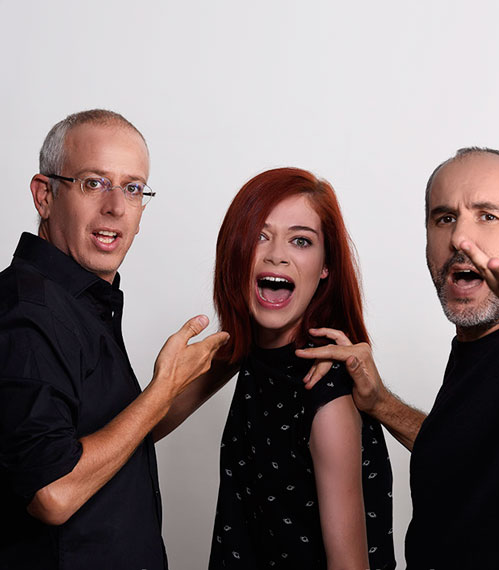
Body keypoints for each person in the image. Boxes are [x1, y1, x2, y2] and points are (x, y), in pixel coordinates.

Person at [296, 147, 499, 569]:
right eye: (444, 218)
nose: (459, 238)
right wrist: (381, 403)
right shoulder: (474, 347)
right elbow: (464, 450)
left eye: (487, 216)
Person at [0, 109, 229, 570]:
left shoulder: (78, 300)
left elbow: (123, 435)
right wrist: (161, 390)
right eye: (94, 183)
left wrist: (237, 351)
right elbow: (53, 492)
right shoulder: (27, 310)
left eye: (133, 188)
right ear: (44, 196)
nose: (116, 207)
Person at [208, 168, 396, 569]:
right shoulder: (252, 356)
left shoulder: (325, 389)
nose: (276, 254)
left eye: (301, 241)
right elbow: (144, 431)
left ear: (326, 266)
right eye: (259, 235)